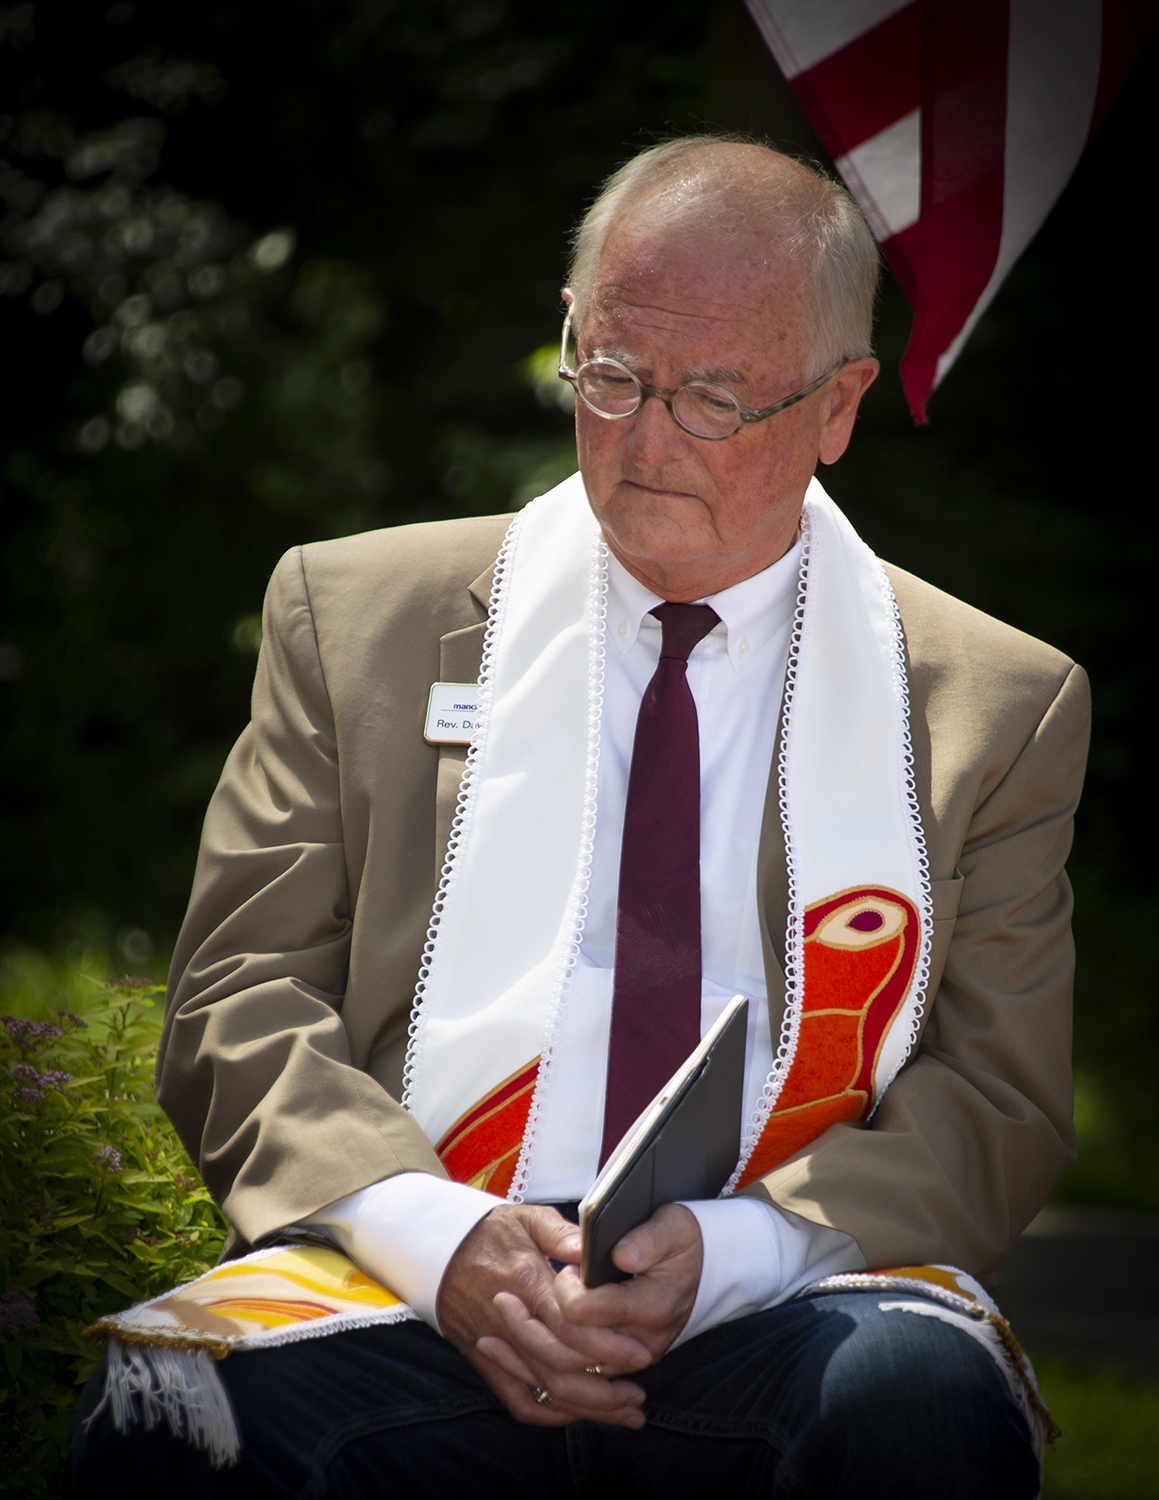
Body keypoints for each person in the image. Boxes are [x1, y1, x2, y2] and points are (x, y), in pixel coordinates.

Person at [71, 137, 1088, 1498]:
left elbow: (998, 1096)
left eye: (714, 398)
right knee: (169, 1420)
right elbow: (240, 998)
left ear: (840, 406)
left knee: (915, 1407)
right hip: (421, 1271)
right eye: (610, 375)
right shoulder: (357, 618)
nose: (646, 441)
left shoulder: (992, 704)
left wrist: (738, 1252)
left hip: (784, 1289)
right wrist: (438, 1242)